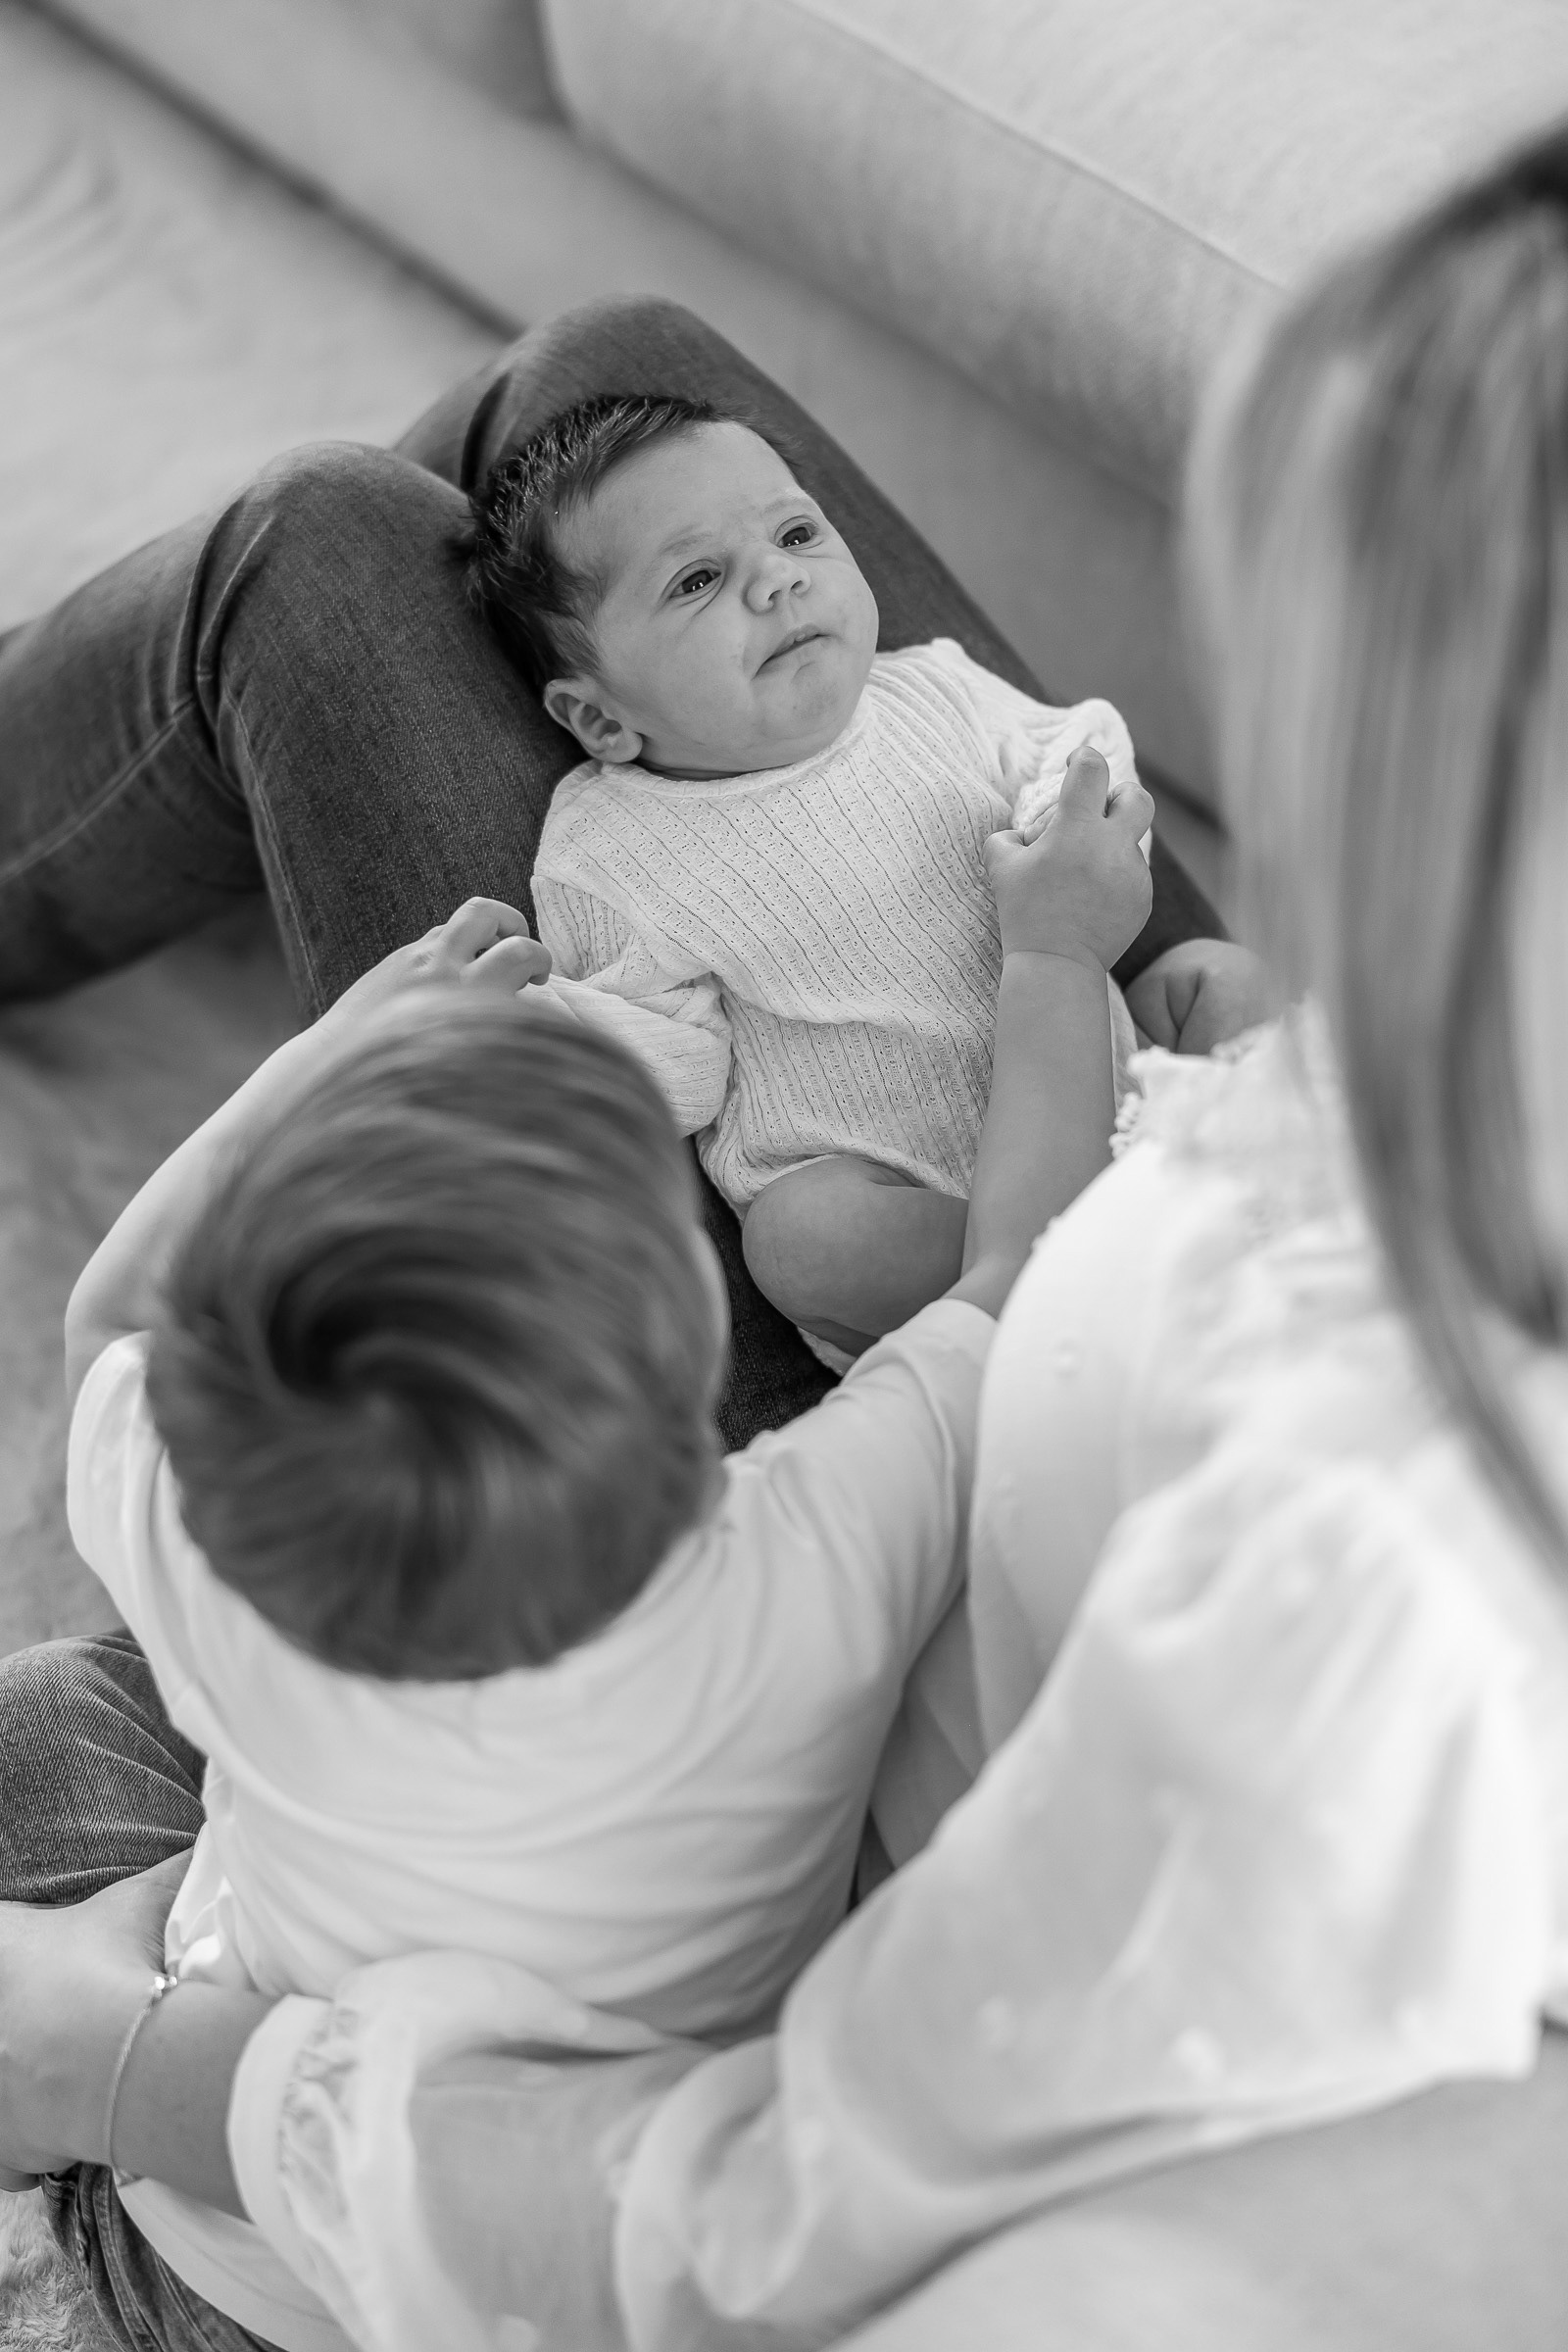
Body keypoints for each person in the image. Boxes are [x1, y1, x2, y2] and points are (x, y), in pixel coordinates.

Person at [48, 743, 1150, 2347]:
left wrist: (338, 1046)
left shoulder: (191, 1536)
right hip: (523, 2261)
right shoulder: (811, 1566)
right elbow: (1022, 1279)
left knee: (52, 1712)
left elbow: (108, 1320)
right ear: (701, 1314)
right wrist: (1053, 953)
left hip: (219, 2256)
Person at [468, 392, 1142, 1359]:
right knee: (798, 1237)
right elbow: (656, 1062)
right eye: (698, 579)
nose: (778, 579)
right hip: (907, 1203)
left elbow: (1077, 745)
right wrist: (523, 1045)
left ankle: (1243, 1184)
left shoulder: (935, 688)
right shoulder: (613, 850)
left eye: (795, 533)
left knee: (1211, 982)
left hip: (1130, 1105)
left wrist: (1069, 814)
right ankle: (1079, 1274)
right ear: (601, 719)